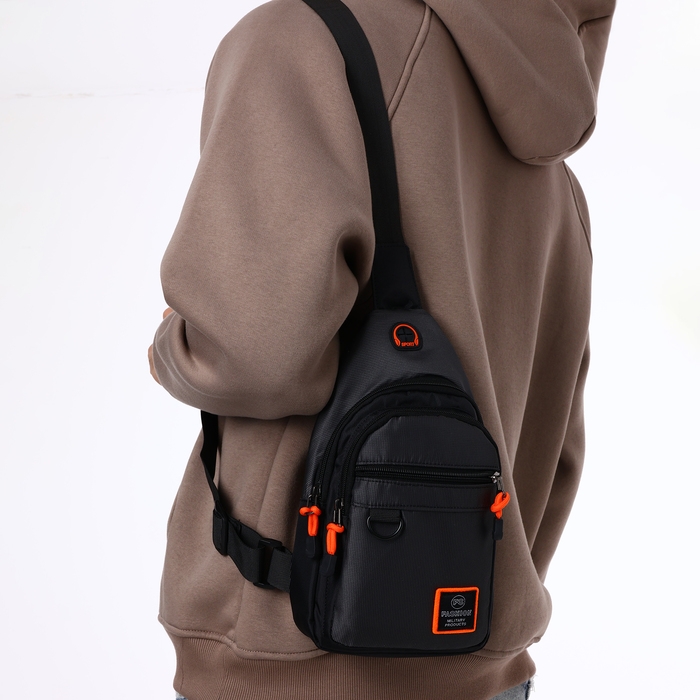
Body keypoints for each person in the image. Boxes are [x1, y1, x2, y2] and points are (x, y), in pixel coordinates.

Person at [148, 0, 616, 698]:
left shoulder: (304, 39)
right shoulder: (556, 180)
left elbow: (254, 351)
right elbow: (561, 451)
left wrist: (171, 345)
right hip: (485, 667)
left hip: (294, 663)